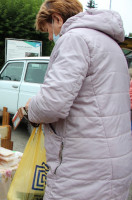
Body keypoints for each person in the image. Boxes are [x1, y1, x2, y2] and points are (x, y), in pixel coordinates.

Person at [25, 0, 132, 199]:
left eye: (48, 30)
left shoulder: (74, 39)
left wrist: (31, 107)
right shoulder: (113, 46)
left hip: (83, 170)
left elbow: (51, 105)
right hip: (115, 167)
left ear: (57, 19)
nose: (50, 37)